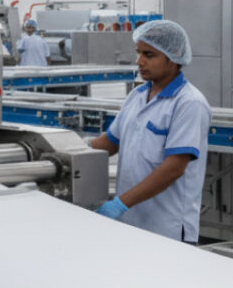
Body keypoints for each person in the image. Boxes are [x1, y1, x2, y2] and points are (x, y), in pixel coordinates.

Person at [89, 20, 211, 244]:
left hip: (167, 228)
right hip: (131, 222)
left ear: (173, 56)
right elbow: (110, 142)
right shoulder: (136, 96)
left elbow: (173, 168)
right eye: (138, 52)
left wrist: (119, 204)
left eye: (149, 54)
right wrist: (70, 149)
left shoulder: (189, 103)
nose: (139, 61)